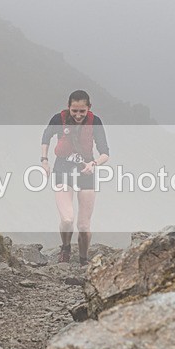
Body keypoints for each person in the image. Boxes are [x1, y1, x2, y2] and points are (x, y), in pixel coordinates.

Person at [41, 89, 109, 266]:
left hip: (86, 170)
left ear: (89, 108)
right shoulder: (58, 119)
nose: (78, 115)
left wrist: (93, 164)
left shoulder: (95, 122)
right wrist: (45, 161)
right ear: (68, 107)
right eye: (74, 111)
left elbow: (105, 152)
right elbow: (46, 137)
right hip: (62, 168)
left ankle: (83, 259)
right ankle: (65, 248)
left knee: (84, 226)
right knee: (67, 219)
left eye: (82, 111)